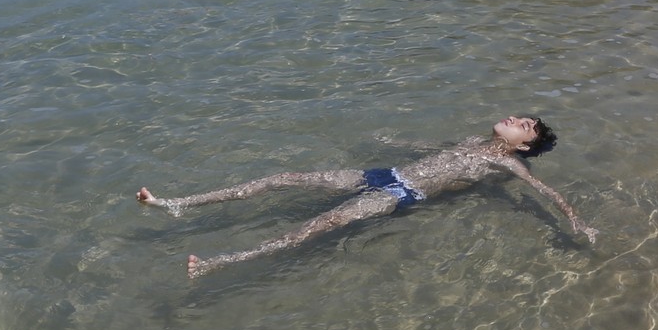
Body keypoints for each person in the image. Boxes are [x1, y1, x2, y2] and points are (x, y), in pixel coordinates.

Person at [137, 115, 595, 278]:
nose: (515, 118)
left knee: (313, 227)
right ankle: (177, 202)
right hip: (384, 172)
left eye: (525, 125)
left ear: (524, 145)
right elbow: (436, 155)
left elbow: (546, 192)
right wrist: (394, 140)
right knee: (284, 177)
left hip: (400, 193)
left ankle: (222, 262)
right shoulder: (475, 141)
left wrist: (575, 220)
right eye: (519, 116)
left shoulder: (510, 163)